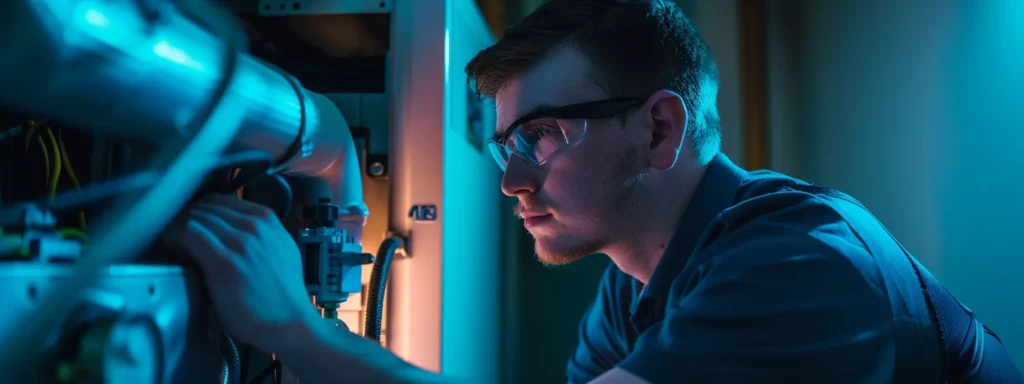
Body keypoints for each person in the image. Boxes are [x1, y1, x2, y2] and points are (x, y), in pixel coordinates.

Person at [165, 0, 1023, 383]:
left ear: (658, 130)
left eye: (541, 135)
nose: (511, 179)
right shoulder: (634, 289)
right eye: (506, 143)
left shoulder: (798, 263)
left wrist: (290, 329)